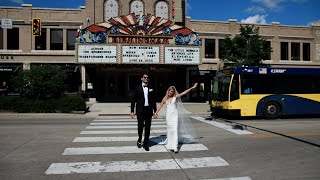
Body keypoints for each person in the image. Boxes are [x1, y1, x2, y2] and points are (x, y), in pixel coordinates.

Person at [153, 83, 198, 153]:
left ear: (173, 92)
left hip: (175, 116)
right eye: (170, 91)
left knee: (175, 130)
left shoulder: (175, 97)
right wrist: (156, 112)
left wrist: (192, 87)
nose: (170, 92)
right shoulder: (165, 98)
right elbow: (160, 105)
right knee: (170, 131)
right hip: (169, 116)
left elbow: (184, 92)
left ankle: (175, 147)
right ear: (168, 91)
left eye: (172, 92)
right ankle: (170, 145)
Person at [130, 73, 157, 151]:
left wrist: (155, 111)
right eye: (145, 77)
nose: (146, 78)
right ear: (141, 78)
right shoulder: (137, 88)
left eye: (147, 77)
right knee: (140, 126)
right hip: (140, 110)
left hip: (148, 111)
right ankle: (139, 138)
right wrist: (132, 111)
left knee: (148, 127)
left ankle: (146, 143)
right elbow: (133, 100)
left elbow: (153, 100)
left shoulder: (151, 88)